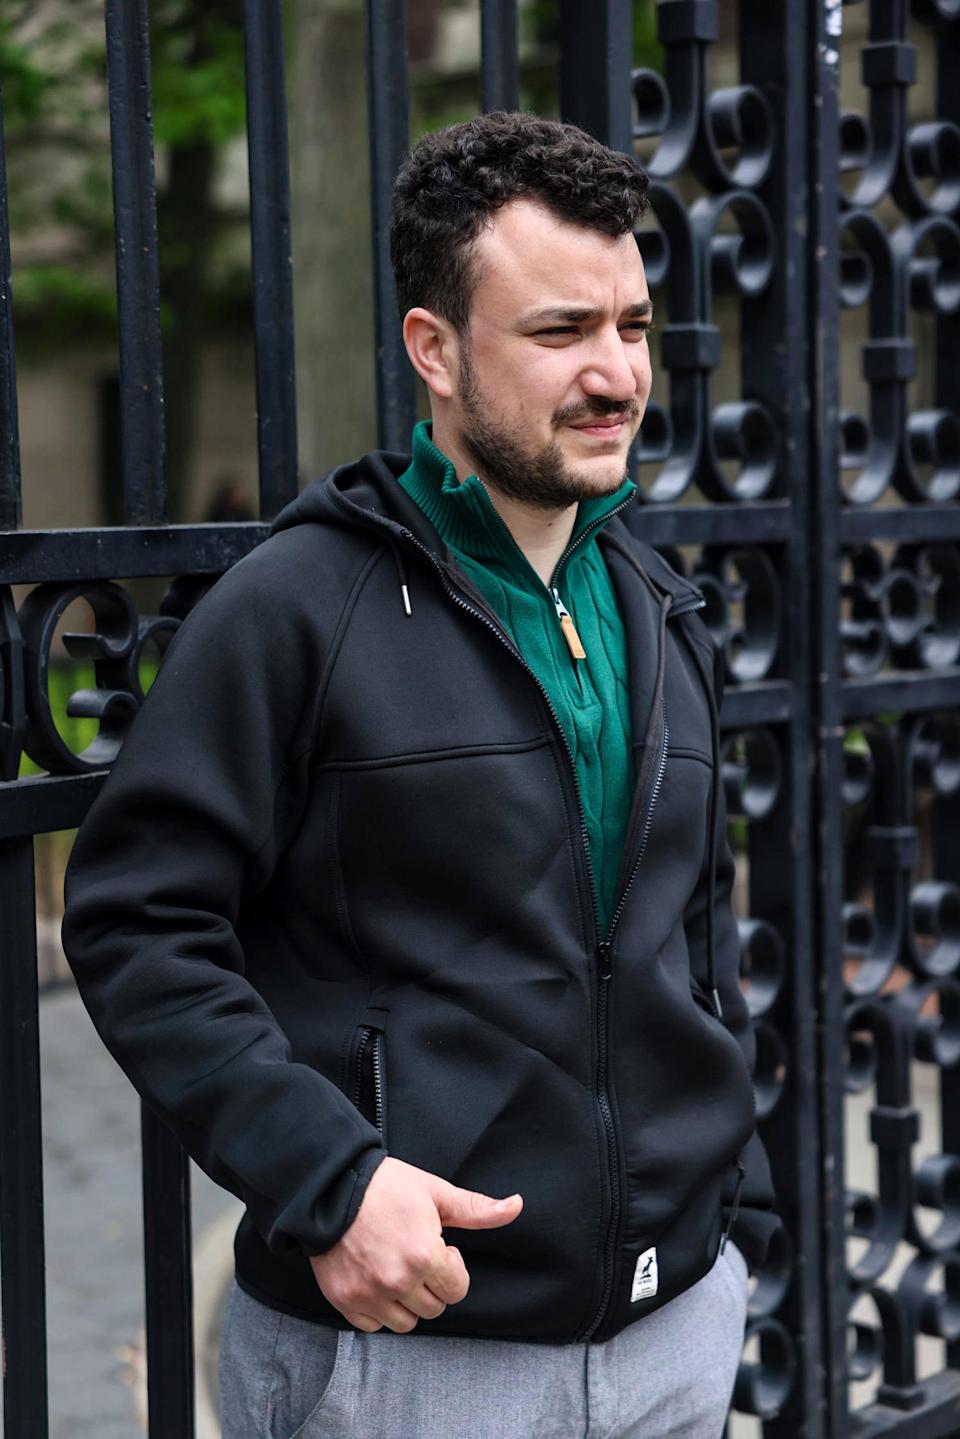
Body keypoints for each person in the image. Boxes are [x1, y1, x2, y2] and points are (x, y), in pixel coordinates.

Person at [62, 111, 779, 1439]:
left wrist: (736, 1198)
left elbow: (683, 935)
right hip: (414, 1356)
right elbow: (134, 920)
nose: (618, 373)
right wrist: (327, 1178)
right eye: (560, 333)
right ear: (433, 350)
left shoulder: (655, 604)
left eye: (630, 326)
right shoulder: (296, 605)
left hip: (676, 1333)